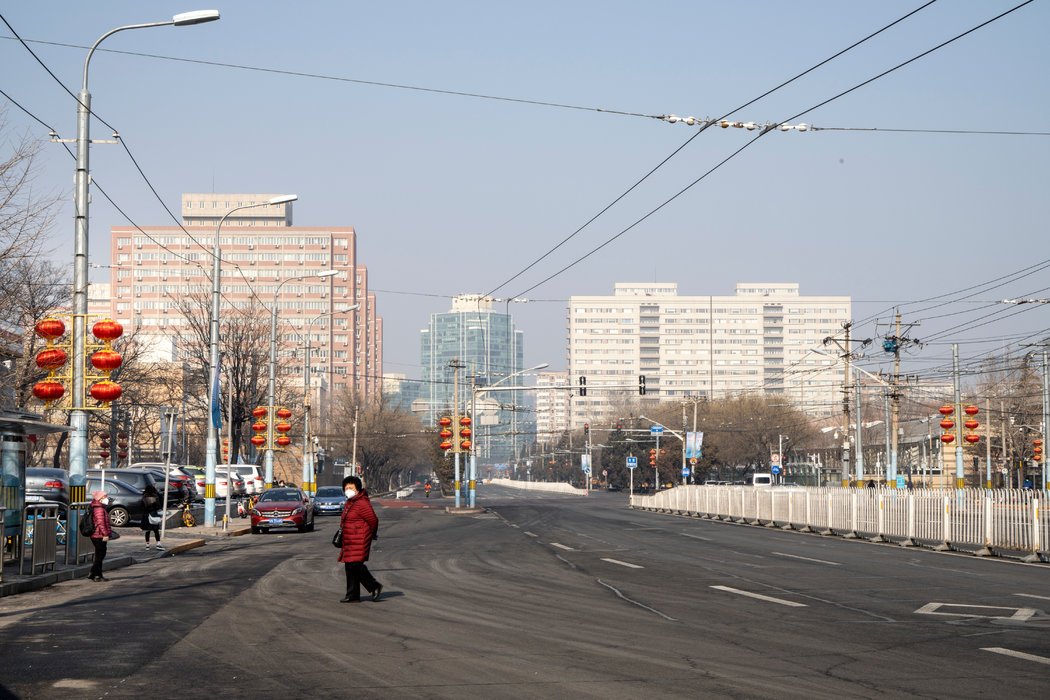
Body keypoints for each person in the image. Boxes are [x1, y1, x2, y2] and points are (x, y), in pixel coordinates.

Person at [337, 475, 382, 603]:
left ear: (357, 489)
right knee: (349, 566)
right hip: (349, 539)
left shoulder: (362, 503)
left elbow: (373, 520)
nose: (348, 490)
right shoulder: (350, 503)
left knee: (356, 565)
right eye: (346, 488)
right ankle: (352, 595)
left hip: (360, 538)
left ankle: (374, 586)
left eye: (351, 487)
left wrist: (371, 534)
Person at [88, 490, 113, 582]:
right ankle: (96, 575)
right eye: (105, 496)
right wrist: (105, 534)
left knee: (100, 555)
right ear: (100, 498)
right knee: (100, 555)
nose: (107, 498)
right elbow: (101, 523)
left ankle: (95, 574)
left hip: (98, 534)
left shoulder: (100, 507)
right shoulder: (99, 508)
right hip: (98, 535)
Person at [140, 483, 164, 551]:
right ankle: (158, 544)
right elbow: (158, 506)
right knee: (156, 530)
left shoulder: (144, 497)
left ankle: (147, 545)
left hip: (146, 515)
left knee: (147, 531)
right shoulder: (155, 496)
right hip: (153, 514)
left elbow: (141, 507)